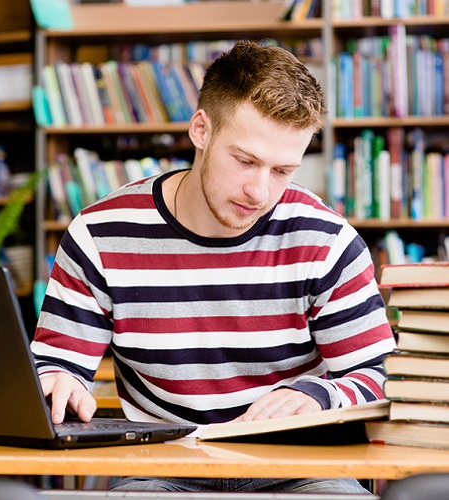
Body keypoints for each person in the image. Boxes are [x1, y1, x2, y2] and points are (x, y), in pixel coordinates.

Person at [32, 40, 396, 494]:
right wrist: (57, 382)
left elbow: (383, 374)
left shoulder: (325, 239)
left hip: (302, 467)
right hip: (162, 468)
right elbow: (54, 366)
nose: (259, 192)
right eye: (245, 161)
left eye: (283, 170)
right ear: (201, 130)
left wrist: (317, 395)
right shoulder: (100, 233)